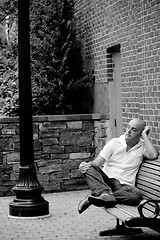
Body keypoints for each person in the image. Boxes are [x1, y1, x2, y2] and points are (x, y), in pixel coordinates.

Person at [78, 118, 158, 214]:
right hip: (107, 181)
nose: (128, 131)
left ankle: (97, 196)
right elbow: (96, 164)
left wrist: (145, 135)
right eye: (128, 127)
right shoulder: (114, 143)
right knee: (90, 167)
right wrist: (83, 166)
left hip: (124, 187)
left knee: (136, 195)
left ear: (140, 134)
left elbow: (153, 155)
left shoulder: (142, 148)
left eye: (134, 129)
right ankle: (103, 193)